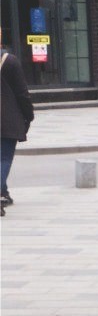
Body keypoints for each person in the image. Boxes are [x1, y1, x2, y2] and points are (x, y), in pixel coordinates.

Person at [2, 28, 35, 215]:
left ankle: (3, 193)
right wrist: (28, 115)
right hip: (7, 119)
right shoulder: (10, 62)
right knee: (4, 158)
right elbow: (22, 94)